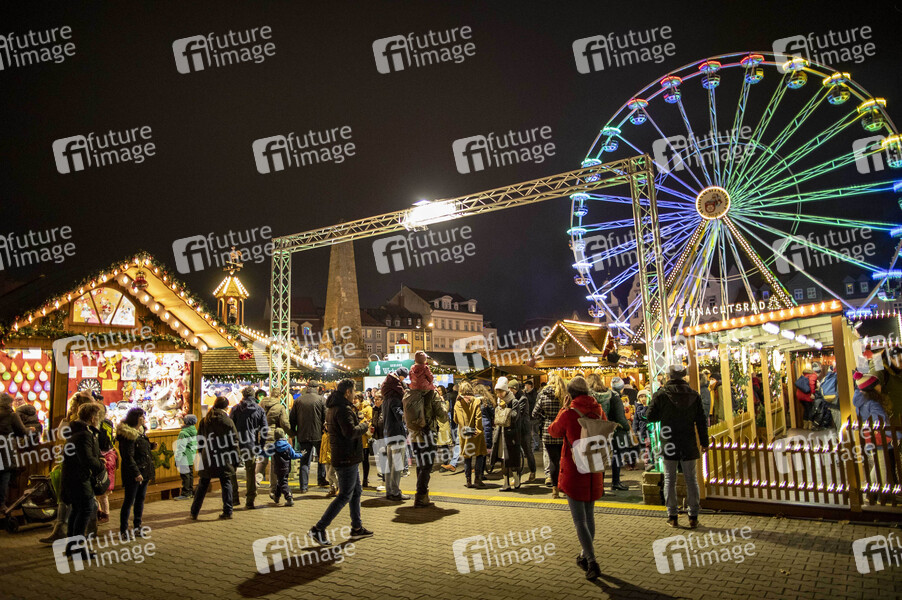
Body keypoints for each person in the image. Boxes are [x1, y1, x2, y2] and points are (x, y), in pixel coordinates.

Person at [548, 376, 605, 581]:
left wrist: (563, 409)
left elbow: (554, 431)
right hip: (594, 466)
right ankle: (584, 555)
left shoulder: (569, 413)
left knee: (579, 520)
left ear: (570, 394)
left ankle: (591, 561)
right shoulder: (598, 410)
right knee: (589, 516)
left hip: (574, 468)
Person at [309, 379, 374, 545]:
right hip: (346, 457)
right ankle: (319, 528)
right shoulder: (343, 409)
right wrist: (364, 426)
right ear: (347, 392)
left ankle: (357, 527)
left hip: (347, 456)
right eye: (354, 391)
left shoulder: (334, 407)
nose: (355, 394)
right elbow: (350, 432)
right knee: (344, 495)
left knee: (356, 491)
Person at [647, 364, 709, 529]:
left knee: (669, 479)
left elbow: (650, 416)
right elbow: (701, 421)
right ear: (683, 376)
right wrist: (704, 442)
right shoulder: (694, 395)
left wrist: (664, 414)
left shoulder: (661, 394)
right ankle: (693, 516)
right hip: (688, 441)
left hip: (669, 441)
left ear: (668, 376)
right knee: (691, 479)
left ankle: (672, 516)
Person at [39, 392, 93, 544]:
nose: (72, 407)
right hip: (69, 463)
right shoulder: (72, 421)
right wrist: (66, 419)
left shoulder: (81, 423)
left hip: (77, 465)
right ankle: (65, 531)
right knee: (67, 498)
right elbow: (61, 437)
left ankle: (76, 533)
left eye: (74, 405)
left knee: (78, 500)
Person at [60, 401, 105, 546]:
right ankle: (78, 548)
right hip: (80, 479)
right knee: (85, 510)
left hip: (72, 478)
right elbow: (87, 459)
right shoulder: (84, 434)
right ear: (92, 418)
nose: (98, 419)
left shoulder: (75, 431)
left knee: (76, 510)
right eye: (97, 416)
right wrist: (100, 465)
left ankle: (72, 547)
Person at [191, 396, 238, 520]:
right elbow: (234, 441)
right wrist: (235, 459)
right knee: (226, 483)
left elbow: (200, 440)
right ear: (226, 407)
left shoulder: (205, 420)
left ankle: (194, 512)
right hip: (223, 457)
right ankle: (227, 511)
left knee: (203, 484)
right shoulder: (227, 421)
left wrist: (202, 454)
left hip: (208, 456)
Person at [117, 407, 156, 536]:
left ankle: (137, 527)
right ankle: (124, 530)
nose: (144, 418)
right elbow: (128, 456)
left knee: (140, 500)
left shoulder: (141, 432)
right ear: (136, 418)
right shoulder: (128, 435)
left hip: (144, 470)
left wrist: (150, 446)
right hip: (134, 473)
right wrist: (136, 473)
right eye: (142, 416)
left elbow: (139, 449)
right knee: (129, 501)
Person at [588, 374, 630, 492]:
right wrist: (627, 427)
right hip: (614, 430)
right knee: (617, 455)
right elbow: (620, 417)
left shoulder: (589, 397)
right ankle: (615, 482)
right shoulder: (612, 396)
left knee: (599, 458)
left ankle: (599, 485)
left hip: (596, 430)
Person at [229, 387, 267, 509]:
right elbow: (264, 429)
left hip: (236, 444)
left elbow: (230, 427)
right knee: (250, 471)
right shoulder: (259, 410)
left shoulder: (235, 409)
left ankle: (234, 497)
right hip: (251, 444)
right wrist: (261, 444)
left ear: (243, 395)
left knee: (232, 470)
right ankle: (250, 499)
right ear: (254, 396)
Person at [290, 380, 327, 493]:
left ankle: (303, 486)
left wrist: (293, 432)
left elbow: (292, 418)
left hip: (303, 435)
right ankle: (321, 479)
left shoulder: (298, 400)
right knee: (321, 458)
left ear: (307, 387)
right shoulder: (321, 400)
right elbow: (325, 417)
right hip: (318, 435)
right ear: (317, 388)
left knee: (304, 460)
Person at [532, 374, 566, 498]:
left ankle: (554, 489)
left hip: (548, 431)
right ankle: (564, 486)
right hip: (562, 430)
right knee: (563, 460)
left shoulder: (543, 396)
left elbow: (534, 414)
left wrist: (545, 419)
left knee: (553, 461)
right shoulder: (564, 396)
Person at [381, 367, 410, 501]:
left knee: (390, 464)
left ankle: (389, 490)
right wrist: (407, 416)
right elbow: (399, 414)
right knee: (396, 465)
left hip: (388, 433)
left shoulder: (386, 398)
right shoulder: (395, 397)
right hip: (397, 434)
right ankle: (395, 491)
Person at [453, 381, 487, 488]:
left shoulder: (458, 403)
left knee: (467, 457)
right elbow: (478, 417)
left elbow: (456, 419)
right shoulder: (476, 401)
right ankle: (477, 478)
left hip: (464, 433)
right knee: (479, 455)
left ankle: (468, 481)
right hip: (476, 433)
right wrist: (478, 430)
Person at [491, 377, 522, 491]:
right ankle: (506, 483)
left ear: (506, 390)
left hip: (511, 435)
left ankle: (516, 480)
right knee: (503, 460)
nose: (499, 394)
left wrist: (505, 409)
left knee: (512, 459)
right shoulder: (499, 402)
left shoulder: (514, 401)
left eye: (500, 392)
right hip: (500, 434)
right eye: (497, 392)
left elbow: (515, 417)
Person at [0, 393, 28, 514]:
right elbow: (22, 432)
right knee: (4, 477)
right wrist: (30, 430)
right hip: (5, 449)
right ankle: (1, 505)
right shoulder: (11, 415)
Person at [258, 393, 290, 490]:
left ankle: (255, 482)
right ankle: (273, 487)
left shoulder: (261, 405)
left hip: (262, 435)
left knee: (261, 461)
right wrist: (291, 433)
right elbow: (284, 423)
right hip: (273, 437)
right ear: (279, 396)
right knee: (274, 463)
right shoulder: (280, 407)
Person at [267, 428, 304, 506]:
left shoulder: (273, 446)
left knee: (283, 483)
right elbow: (293, 455)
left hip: (278, 468)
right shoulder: (288, 446)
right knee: (280, 482)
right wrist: (301, 454)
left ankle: (289, 497)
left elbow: (267, 453)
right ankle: (276, 496)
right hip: (287, 468)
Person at [509, 379, 536, 482]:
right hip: (515, 429)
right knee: (516, 453)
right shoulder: (512, 398)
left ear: (514, 388)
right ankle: (517, 476)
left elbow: (517, 413)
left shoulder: (523, 399)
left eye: (510, 388)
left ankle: (532, 471)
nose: (508, 390)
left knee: (527, 451)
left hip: (524, 429)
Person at [95, 403, 118, 523]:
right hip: (105, 457)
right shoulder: (108, 423)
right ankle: (100, 513)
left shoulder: (101, 424)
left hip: (104, 459)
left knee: (102, 494)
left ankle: (104, 514)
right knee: (100, 494)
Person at [174, 415, 198, 500]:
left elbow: (181, 447)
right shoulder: (194, 430)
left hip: (184, 456)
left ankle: (186, 493)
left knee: (185, 476)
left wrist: (177, 459)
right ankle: (190, 492)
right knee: (190, 475)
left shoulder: (183, 433)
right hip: (191, 456)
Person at [354, 392, 374, 487]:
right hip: (355, 438)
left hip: (364, 438)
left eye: (356, 399)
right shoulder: (354, 409)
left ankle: (365, 479)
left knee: (365, 460)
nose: (354, 401)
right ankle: (356, 480)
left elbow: (370, 422)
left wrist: (361, 423)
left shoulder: (367, 408)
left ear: (360, 399)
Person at [794, 366, 819, 430]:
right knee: (810, 409)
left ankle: (805, 425)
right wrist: (812, 393)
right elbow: (811, 384)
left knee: (806, 409)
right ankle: (810, 425)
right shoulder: (813, 375)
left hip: (800, 396)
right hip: (807, 395)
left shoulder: (804, 376)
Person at [523, 380, 540, 451]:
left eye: (526, 385)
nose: (525, 386)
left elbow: (532, 401)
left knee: (534, 431)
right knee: (529, 432)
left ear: (530, 386)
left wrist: (526, 394)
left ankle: (536, 445)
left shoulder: (534, 393)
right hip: (528, 416)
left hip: (534, 416)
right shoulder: (525, 393)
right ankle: (531, 446)